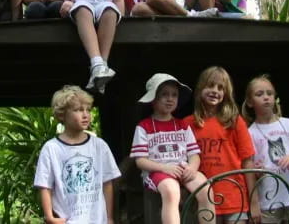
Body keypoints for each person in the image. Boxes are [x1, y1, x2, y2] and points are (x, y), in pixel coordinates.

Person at [130, 73, 216, 224]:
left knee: (206, 189)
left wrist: (193, 167)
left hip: (183, 168)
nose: (170, 99)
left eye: (174, 95)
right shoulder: (144, 126)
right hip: (156, 172)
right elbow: (140, 161)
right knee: (171, 191)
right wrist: (165, 168)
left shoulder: (182, 125)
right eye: (164, 94)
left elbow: (194, 154)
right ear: (153, 99)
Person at [183, 66, 260, 224]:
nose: (215, 91)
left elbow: (248, 162)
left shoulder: (235, 121)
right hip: (204, 200)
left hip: (235, 198)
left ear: (226, 93)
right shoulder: (187, 124)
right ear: (200, 89)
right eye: (210, 85)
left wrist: (254, 202)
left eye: (220, 88)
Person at [34, 85, 121, 224]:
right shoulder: (51, 148)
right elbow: (45, 185)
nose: (86, 115)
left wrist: (109, 218)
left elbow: (107, 183)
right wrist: (49, 217)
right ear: (62, 114)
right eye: (79, 110)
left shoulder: (99, 146)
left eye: (88, 109)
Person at [243, 75, 289, 224]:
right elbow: (249, 168)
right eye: (259, 94)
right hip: (267, 200)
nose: (266, 97)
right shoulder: (250, 132)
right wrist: (256, 171)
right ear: (249, 102)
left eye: (269, 93)